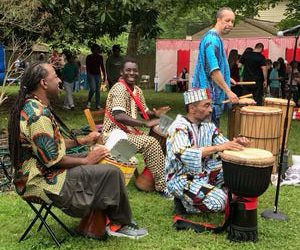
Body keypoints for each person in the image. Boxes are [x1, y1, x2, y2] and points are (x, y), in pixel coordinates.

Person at [8, 62, 148, 240]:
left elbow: (51, 145)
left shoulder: (34, 105)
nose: (59, 80)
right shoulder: (38, 115)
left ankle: (95, 222)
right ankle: (118, 224)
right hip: (39, 180)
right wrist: (86, 160)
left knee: (103, 156)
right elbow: (53, 160)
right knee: (112, 171)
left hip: (43, 170)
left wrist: (81, 141)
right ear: (44, 83)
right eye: (55, 76)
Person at [165, 88, 250, 214]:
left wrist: (236, 143)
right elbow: (184, 154)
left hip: (204, 173)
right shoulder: (178, 127)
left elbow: (224, 144)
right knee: (220, 201)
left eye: (210, 105)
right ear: (192, 108)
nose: (211, 109)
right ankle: (185, 204)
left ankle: (207, 193)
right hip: (182, 179)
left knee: (234, 170)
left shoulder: (208, 126)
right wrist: (217, 148)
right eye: (206, 105)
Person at [102, 57, 171, 197]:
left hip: (128, 135)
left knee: (168, 132)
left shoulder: (137, 90)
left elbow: (144, 112)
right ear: (121, 72)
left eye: (134, 70)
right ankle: (162, 187)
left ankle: (151, 178)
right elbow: (119, 115)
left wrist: (155, 114)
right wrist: (145, 124)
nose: (132, 73)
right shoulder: (119, 89)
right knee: (152, 142)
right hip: (114, 138)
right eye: (128, 70)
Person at [192, 7, 239, 127]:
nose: (230, 24)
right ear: (218, 20)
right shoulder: (212, 41)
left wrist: (227, 79)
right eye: (227, 20)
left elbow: (215, 68)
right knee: (207, 137)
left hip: (208, 98)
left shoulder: (215, 38)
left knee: (210, 135)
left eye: (232, 21)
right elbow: (213, 71)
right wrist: (228, 91)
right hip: (206, 100)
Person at [86, 43, 106, 109]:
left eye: (97, 49)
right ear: (92, 50)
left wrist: (104, 75)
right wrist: (88, 75)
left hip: (98, 75)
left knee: (98, 90)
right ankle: (89, 102)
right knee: (93, 89)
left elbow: (102, 66)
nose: (96, 50)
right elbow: (87, 67)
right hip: (91, 74)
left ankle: (98, 105)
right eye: (95, 49)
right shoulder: (89, 57)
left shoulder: (100, 57)